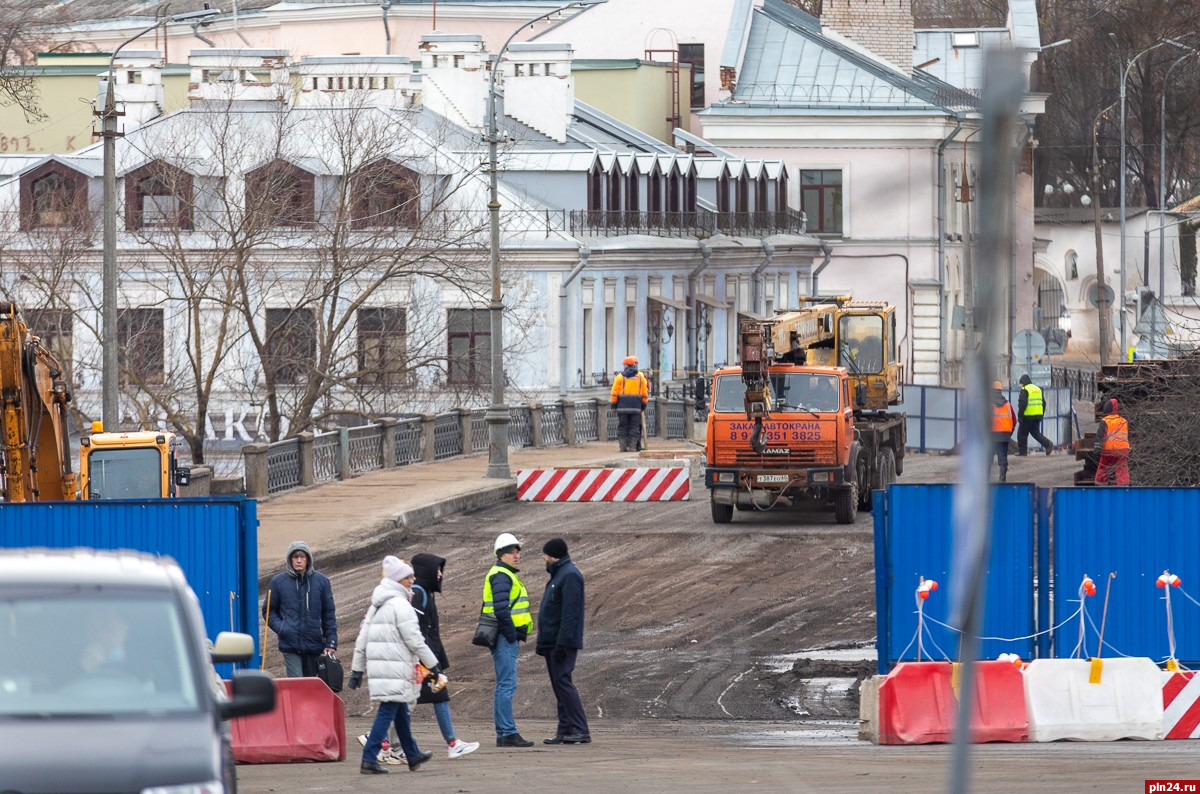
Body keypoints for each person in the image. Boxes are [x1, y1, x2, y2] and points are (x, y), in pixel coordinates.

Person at [348, 556, 440, 775]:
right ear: (399, 580)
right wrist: (434, 666)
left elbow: (362, 639)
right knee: (388, 711)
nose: (412, 580)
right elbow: (415, 640)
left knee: (399, 713)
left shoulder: (376, 605)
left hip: (383, 669)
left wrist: (357, 670)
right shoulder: (401, 605)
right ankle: (369, 758)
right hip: (396, 669)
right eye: (408, 577)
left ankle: (412, 754)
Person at [410, 552, 480, 759]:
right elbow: (415, 631)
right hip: (422, 660)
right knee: (432, 697)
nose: (440, 574)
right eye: (437, 570)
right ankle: (452, 743)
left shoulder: (424, 592)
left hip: (426, 658)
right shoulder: (419, 593)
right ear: (426, 571)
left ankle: (381, 740)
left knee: (406, 702)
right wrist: (428, 661)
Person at [536, 538, 590, 745]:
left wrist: (562, 642)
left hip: (562, 642)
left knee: (564, 683)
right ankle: (565, 729)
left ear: (553, 555)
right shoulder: (560, 574)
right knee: (559, 685)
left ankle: (580, 728)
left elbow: (570, 613)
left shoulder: (569, 575)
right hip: (553, 641)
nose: (543, 557)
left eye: (545, 554)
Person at [483, 532, 534, 748]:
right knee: (506, 685)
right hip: (505, 637)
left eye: (517, 551)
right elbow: (501, 608)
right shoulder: (502, 575)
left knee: (504, 684)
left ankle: (505, 732)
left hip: (505, 636)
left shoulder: (504, 573)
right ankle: (507, 732)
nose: (517, 555)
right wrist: (512, 634)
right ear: (501, 554)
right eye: (513, 551)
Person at [263, 541, 337, 677]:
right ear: (290, 559)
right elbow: (269, 611)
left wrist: (331, 642)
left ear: (308, 559)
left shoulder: (321, 581)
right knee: (296, 683)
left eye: (302, 557)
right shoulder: (278, 582)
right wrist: (282, 628)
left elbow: (329, 614)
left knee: (311, 686)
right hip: (290, 644)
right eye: (295, 557)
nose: (299, 561)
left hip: (314, 644)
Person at [610, 355, 649, 452]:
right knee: (634, 426)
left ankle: (623, 447)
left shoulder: (620, 377)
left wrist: (614, 406)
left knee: (623, 426)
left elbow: (614, 393)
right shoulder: (641, 377)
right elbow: (645, 393)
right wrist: (643, 405)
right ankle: (632, 446)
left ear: (625, 365)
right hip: (636, 406)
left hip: (622, 407)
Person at [1094, 398, 1131, 485]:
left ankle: (1100, 486)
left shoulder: (1105, 421)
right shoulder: (1124, 421)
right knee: (1122, 470)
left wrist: (1097, 450)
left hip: (1108, 451)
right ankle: (1124, 488)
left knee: (1103, 468)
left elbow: (1100, 437)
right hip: (1122, 451)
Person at [1016, 374, 1053, 456]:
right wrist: (1041, 414)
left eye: (1021, 383)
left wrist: (1020, 416)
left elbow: (1023, 404)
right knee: (1035, 433)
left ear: (1023, 382)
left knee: (1021, 434)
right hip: (1037, 416)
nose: (1021, 385)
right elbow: (1044, 403)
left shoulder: (1025, 389)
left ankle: (1022, 453)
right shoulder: (1038, 389)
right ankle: (1048, 444)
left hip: (1027, 416)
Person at [991, 380, 1016, 483]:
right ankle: (1002, 479)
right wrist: (1009, 433)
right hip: (1004, 435)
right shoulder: (1008, 405)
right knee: (1002, 459)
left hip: (991, 435)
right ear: (1001, 391)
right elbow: (1014, 420)